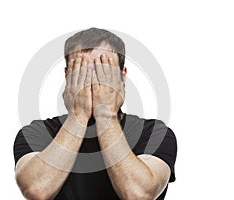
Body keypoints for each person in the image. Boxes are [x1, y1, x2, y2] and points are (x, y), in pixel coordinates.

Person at [13, 28, 177, 200]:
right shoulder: (35, 132)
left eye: (103, 71)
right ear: (67, 76)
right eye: (81, 71)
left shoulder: (154, 133)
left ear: (122, 77)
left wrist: (106, 115)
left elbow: (137, 194)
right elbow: (36, 190)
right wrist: (78, 116)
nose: (91, 81)